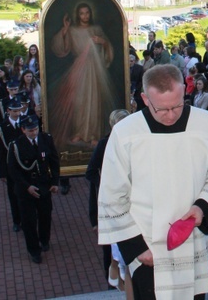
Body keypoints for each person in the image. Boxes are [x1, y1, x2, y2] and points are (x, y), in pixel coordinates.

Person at [98, 64, 208, 300]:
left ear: (184, 90)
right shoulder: (125, 133)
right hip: (147, 247)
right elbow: (112, 196)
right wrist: (135, 248)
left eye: (177, 105)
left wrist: (203, 208)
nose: (171, 115)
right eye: (162, 109)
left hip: (192, 241)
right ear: (144, 98)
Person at [49, 2, 119, 146]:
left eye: (87, 13)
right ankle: (79, 132)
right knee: (79, 101)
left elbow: (108, 49)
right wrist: (65, 29)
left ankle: (94, 134)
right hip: (79, 69)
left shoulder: (96, 29)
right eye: (82, 13)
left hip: (95, 70)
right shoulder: (73, 30)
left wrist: (102, 42)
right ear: (78, 15)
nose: (85, 16)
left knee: (94, 101)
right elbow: (62, 48)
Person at [86, 109, 131, 291]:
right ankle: (111, 285)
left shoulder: (133, 141)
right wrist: (108, 184)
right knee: (111, 247)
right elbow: (90, 172)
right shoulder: (105, 144)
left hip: (130, 202)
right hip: (109, 204)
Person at [7, 114, 60, 264]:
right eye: (30, 130)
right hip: (26, 189)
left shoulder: (46, 139)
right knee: (29, 222)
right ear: (23, 130)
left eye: (36, 129)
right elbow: (13, 170)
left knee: (45, 216)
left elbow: (54, 162)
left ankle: (44, 240)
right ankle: (34, 250)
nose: (34, 132)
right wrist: (27, 187)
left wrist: (55, 182)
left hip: (44, 185)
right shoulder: (16, 146)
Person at [0, 98, 26, 232]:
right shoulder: (1, 128)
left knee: (27, 194)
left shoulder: (26, 124)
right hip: (11, 167)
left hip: (26, 166)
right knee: (13, 195)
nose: (17, 113)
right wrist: (1, 172)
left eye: (19, 110)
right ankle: (17, 220)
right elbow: (0, 152)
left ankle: (28, 218)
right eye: (14, 111)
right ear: (8, 111)